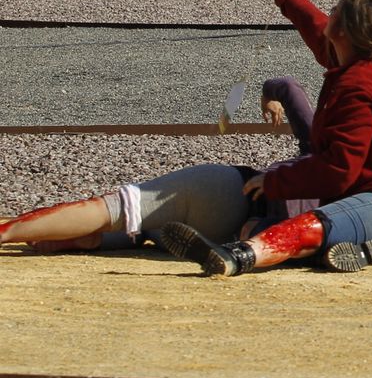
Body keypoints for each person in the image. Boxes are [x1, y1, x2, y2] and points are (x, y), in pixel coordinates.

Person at [161, 0, 372, 276]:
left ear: (344, 31)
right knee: (294, 224)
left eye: (336, 9)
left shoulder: (358, 85)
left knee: (308, 223)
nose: (328, 12)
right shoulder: (353, 62)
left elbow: (339, 169)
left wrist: (275, 180)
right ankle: (358, 252)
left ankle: (236, 258)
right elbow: (313, 26)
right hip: (366, 209)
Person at [0, 77, 316, 256]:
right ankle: (95, 239)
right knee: (149, 228)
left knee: (117, 208)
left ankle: (6, 232)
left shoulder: (329, 149)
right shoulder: (363, 196)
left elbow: (288, 87)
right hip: (237, 241)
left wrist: (268, 97)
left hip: (231, 193)